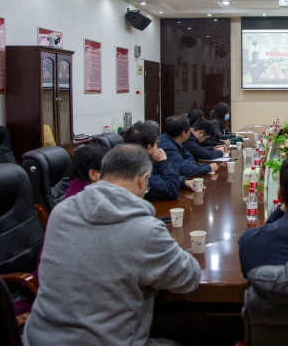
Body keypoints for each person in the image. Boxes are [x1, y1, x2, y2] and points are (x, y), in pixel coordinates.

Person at [23, 145, 202, 346]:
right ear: (142, 180)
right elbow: (189, 277)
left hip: (39, 338)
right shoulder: (144, 229)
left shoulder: (61, 211)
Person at [123, 121, 180, 201]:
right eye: (156, 143)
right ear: (149, 148)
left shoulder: (125, 159)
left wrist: (183, 181)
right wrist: (163, 161)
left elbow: (159, 177)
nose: (158, 147)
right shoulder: (139, 170)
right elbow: (171, 190)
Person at [157, 115, 218, 182]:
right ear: (183, 133)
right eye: (188, 130)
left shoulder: (176, 141)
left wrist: (187, 165)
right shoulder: (167, 147)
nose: (190, 132)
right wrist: (209, 168)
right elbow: (185, 170)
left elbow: (189, 156)